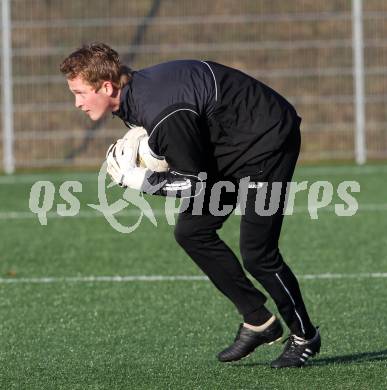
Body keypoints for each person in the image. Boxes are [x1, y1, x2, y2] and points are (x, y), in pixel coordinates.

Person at [60, 42, 321, 368]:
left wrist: (141, 180)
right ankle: (258, 320)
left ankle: (305, 336)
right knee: (192, 232)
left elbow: (193, 184)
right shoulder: (136, 97)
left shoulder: (162, 112)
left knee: (259, 255)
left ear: (107, 86)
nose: (77, 103)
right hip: (227, 143)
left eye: (80, 92)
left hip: (266, 143)